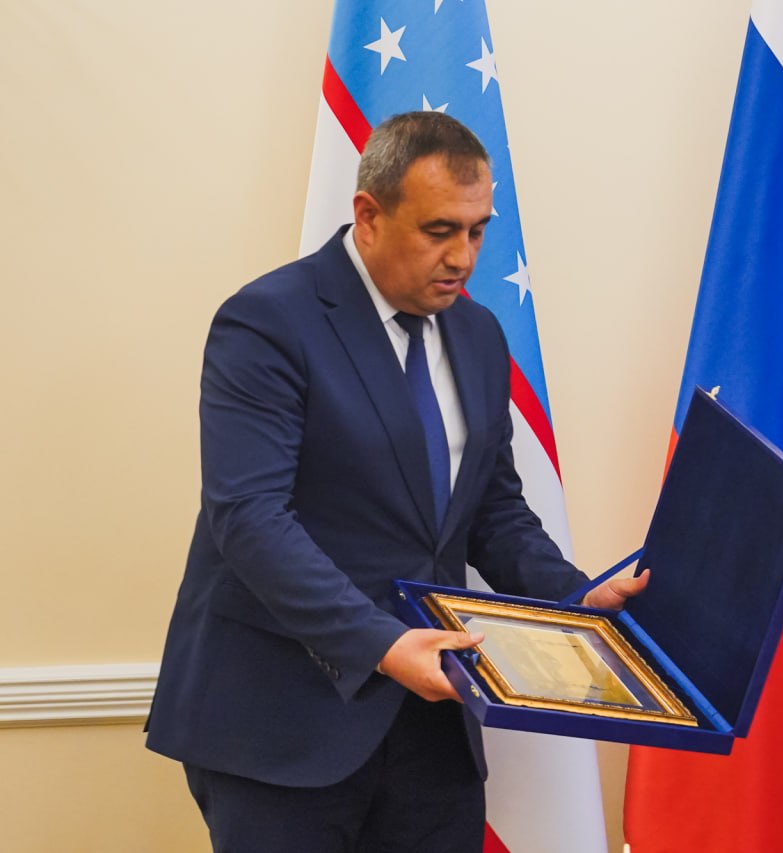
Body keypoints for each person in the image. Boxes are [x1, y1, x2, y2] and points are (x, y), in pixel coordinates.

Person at [147, 111, 646, 852]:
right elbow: (250, 518)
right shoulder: (268, 322)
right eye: (439, 230)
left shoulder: (478, 334)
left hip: (432, 731)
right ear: (368, 215)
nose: (463, 257)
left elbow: (493, 511)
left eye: (477, 231)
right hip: (282, 723)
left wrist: (575, 598)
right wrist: (383, 643)